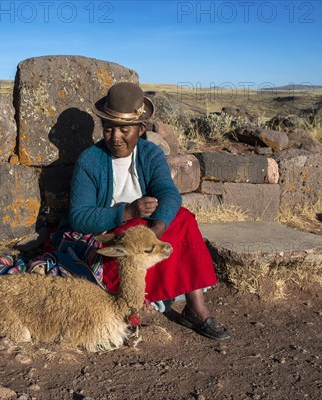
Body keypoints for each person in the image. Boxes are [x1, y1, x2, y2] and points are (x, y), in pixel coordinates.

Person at [64, 81, 230, 340]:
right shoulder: (90, 160)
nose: (115, 137)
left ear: (140, 129)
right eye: (108, 129)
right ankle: (138, 303)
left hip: (145, 231)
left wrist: (156, 230)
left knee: (184, 220)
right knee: (133, 248)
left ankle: (195, 307)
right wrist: (127, 212)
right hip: (111, 234)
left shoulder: (150, 154)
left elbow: (169, 194)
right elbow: (79, 217)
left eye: (124, 130)